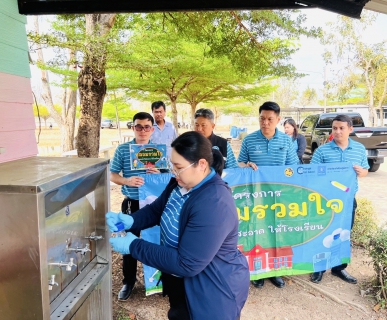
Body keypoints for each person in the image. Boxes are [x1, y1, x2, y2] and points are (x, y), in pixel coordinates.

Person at [107, 131, 250, 320]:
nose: (174, 172)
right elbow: (157, 209)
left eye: (178, 166)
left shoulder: (214, 202)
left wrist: (133, 246)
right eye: (172, 165)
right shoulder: (180, 182)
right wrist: (132, 220)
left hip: (210, 290)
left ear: (201, 165)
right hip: (180, 283)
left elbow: (187, 263)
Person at [237, 101, 299, 289]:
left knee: (277, 232)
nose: (265, 122)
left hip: (278, 197)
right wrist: (246, 166)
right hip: (255, 197)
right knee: (257, 231)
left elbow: (293, 167)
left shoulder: (286, 141)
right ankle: (257, 273)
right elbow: (239, 164)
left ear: (278, 120)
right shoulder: (249, 140)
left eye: (270, 119)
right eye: (262, 118)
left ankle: (275, 272)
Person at [310, 114, 369, 285]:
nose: (337, 131)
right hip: (325, 200)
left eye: (341, 128)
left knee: (344, 234)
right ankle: (319, 268)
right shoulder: (322, 150)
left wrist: (361, 172)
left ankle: (338, 268)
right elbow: (312, 173)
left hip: (348, 200)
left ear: (350, 129)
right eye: (334, 128)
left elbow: (365, 171)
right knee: (322, 231)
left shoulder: (359, 149)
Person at [110, 111, 161, 301]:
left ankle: (158, 279)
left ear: (152, 129)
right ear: (133, 128)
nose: (143, 130)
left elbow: (170, 175)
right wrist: (126, 181)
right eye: (138, 126)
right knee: (129, 241)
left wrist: (158, 173)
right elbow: (112, 174)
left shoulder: (160, 150)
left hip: (154, 204)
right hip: (131, 203)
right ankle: (128, 281)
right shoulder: (123, 150)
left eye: (147, 126)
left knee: (155, 241)